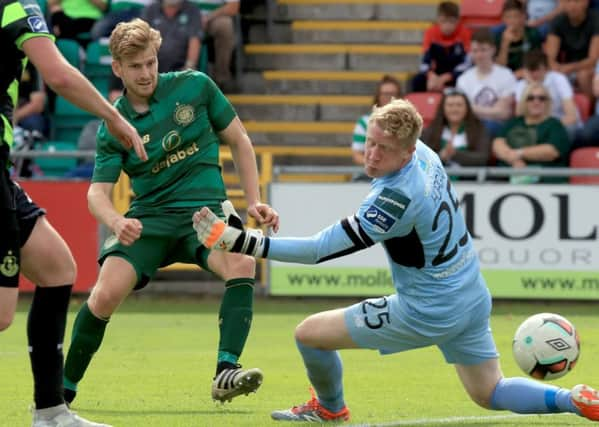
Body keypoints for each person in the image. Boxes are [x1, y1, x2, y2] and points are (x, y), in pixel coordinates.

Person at [192, 98, 599, 423]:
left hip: (428, 309)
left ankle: (330, 408)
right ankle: (573, 399)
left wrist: (240, 241)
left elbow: (318, 250)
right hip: (471, 294)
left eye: (384, 150)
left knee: (308, 334)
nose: (372, 155)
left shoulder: (395, 199)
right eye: (370, 142)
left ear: (406, 152)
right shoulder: (423, 152)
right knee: (488, 393)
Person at [62, 18, 279, 407]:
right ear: (117, 68)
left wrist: (253, 200)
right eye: (135, 66)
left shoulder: (195, 86)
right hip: (150, 219)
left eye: (150, 63)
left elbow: (240, 141)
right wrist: (116, 221)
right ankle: (60, 389)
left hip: (206, 215)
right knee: (104, 294)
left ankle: (226, 372)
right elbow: (96, 193)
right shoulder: (114, 122)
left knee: (242, 262)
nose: (145, 73)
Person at [0, 1, 146, 426]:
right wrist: (114, 117)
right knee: (2, 313)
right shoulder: (15, 5)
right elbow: (59, 75)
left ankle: (50, 412)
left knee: (57, 267)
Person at [493, 82, 571, 183]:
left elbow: (551, 151)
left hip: (545, 182)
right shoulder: (513, 122)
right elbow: (498, 144)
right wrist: (514, 160)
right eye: (531, 98)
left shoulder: (555, 125)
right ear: (524, 101)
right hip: (506, 179)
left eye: (541, 98)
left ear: (547, 102)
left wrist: (519, 153)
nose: (536, 102)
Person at [456, 28, 517, 138]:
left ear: (493, 50)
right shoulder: (463, 79)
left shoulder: (506, 75)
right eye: (475, 51)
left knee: (488, 126)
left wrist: (473, 108)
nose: (479, 55)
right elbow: (463, 112)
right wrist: (493, 111)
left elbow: (504, 113)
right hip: (471, 126)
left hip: (497, 127)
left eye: (483, 50)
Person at [515, 50, 580, 139]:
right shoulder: (521, 85)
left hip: (560, 123)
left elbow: (572, 116)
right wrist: (531, 86)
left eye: (537, 69)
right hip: (535, 127)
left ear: (546, 69)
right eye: (530, 70)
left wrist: (547, 127)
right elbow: (520, 116)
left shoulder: (559, 79)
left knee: (567, 129)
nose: (534, 74)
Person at [410, 1, 471, 93]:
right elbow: (424, 62)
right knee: (417, 81)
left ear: (458, 21)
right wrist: (431, 76)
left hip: (455, 73)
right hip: (436, 74)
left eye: (451, 22)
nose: (447, 26)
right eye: (444, 21)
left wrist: (447, 77)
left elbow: (467, 63)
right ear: (438, 20)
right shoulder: (430, 33)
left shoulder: (465, 33)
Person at [421, 88, 491, 167]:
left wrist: (455, 154)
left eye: (459, 105)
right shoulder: (432, 130)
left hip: (469, 178)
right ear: (443, 108)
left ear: (467, 108)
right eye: (450, 105)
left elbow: (482, 158)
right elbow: (424, 159)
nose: (454, 109)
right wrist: (441, 156)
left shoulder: (479, 130)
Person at [544, 0, 599, 98]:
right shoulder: (558, 21)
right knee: (545, 73)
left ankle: (590, 108)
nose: (572, 5)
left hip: (589, 67)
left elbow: (593, 59)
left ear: (585, 2)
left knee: (583, 76)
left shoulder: (596, 20)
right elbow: (549, 56)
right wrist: (555, 67)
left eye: (576, 1)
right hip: (566, 66)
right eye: (568, 1)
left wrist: (570, 67)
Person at [352, 74, 402, 166]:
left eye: (393, 94)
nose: (389, 98)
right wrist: (376, 165)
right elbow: (357, 154)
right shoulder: (365, 122)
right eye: (386, 94)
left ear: (399, 96)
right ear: (378, 96)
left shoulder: (406, 122)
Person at [140, 0, 202, 73]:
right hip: (151, 67)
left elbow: (194, 39)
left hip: (180, 70)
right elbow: (141, 38)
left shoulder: (192, 10)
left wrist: (189, 67)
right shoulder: (151, 9)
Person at [494, 0, 543, 79]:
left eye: (515, 16)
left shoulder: (533, 34)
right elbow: (499, 68)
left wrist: (524, 71)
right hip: (505, 78)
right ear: (503, 19)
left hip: (528, 76)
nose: (512, 20)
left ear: (523, 17)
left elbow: (537, 62)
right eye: (508, 17)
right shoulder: (498, 36)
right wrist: (505, 44)